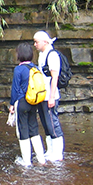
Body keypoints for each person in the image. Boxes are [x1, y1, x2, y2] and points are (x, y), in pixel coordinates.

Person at [9, 42, 46, 167]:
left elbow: (15, 89)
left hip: (22, 102)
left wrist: (12, 104)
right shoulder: (35, 68)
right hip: (34, 102)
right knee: (34, 129)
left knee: (23, 131)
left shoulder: (18, 69)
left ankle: (27, 161)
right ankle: (41, 159)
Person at [33, 30, 65, 161]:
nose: (34, 44)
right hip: (42, 95)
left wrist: (51, 97)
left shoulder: (52, 55)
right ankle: (50, 150)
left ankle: (58, 153)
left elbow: (54, 77)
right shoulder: (42, 55)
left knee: (53, 123)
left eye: (36, 42)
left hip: (50, 96)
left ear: (45, 42)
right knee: (46, 124)